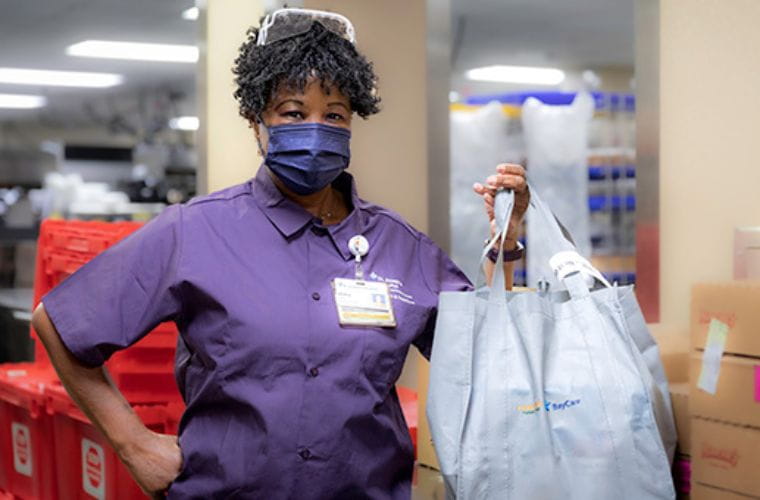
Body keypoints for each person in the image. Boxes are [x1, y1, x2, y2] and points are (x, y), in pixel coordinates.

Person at [32, 8, 529, 499]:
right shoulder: (195, 232)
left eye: (333, 115)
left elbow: (482, 356)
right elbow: (59, 323)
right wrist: (134, 445)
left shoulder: (401, 248)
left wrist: (504, 244)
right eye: (293, 112)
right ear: (257, 122)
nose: (315, 129)